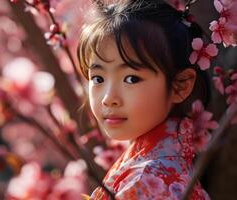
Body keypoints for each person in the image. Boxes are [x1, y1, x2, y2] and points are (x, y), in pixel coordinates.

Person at [77, 0, 212, 199]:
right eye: (98, 78)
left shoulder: (147, 182)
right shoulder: (157, 168)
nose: (108, 98)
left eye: (131, 79)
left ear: (180, 85)